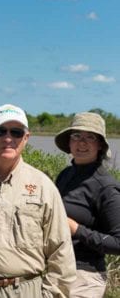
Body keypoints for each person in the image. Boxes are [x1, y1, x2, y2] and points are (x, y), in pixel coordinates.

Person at [0, 104, 76, 298]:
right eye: (0, 131)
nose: (8, 139)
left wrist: (52, 295)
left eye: (16, 132)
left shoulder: (44, 186)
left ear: (26, 138)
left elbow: (61, 250)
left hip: (25, 290)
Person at [54, 112, 120, 297]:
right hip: (58, 270)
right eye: (76, 136)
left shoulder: (106, 187)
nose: (82, 143)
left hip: (85, 276)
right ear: (69, 142)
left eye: (90, 137)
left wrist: (76, 229)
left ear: (100, 145)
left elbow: (118, 243)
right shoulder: (65, 175)